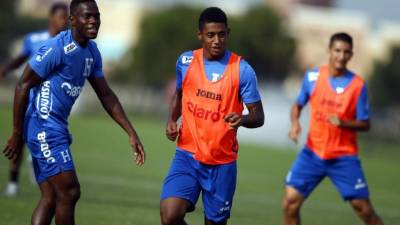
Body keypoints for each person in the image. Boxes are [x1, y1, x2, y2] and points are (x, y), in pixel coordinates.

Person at [2, 0, 145, 225]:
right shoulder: (56, 48)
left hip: (55, 127)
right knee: (70, 192)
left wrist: (131, 132)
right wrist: (16, 133)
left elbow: (106, 94)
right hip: (43, 126)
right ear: (72, 20)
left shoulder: (92, 52)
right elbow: (22, 85)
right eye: (87, 16)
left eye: (96, 16)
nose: (93, 21)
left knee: (51, 198)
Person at [160, 7, 264, 225]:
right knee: (170, 215)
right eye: (210, 35)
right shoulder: (186, 62)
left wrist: (242, 119)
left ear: (228, 33)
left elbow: (258, 116)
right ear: (200, 35)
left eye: (221, 34)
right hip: (187, 155)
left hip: (222, 163)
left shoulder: (242, 70)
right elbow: (180, 94)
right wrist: (172, 119)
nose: (217, 40)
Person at [283, 32, 384, 225]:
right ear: (329, 51)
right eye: (337, 50)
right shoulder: (312, 77)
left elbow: (365, 123)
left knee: (364, 210)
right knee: (290, 202)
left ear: (351, 55)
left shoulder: (357, 85)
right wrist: (295, 124)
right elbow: (297, 105)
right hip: (312, 153)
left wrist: (344, 123)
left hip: (343, 157)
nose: (341, 56)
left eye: (346, 52)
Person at [1, 2, 69, 197]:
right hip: (29, 98)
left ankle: (38, 161)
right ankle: (13, 182)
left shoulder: (67, 43)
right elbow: (21, 58)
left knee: (53, 137)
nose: (64, 21)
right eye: (61, 16)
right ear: (52, 17)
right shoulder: (35, 39)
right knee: (19, 138)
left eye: (67, 17)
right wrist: (5, 69)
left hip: (52, 103)